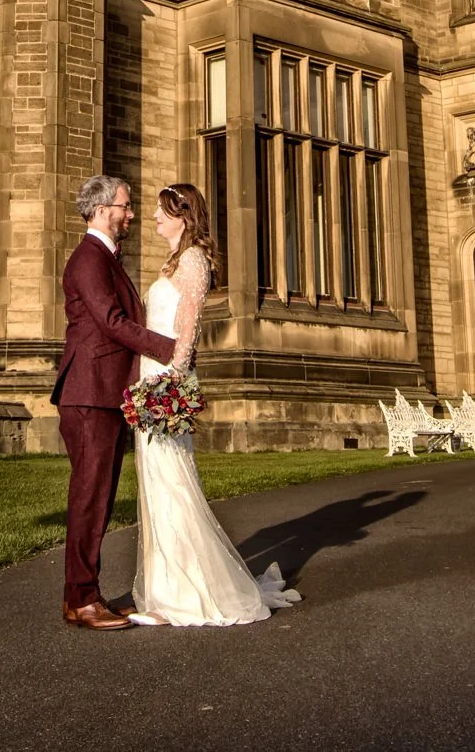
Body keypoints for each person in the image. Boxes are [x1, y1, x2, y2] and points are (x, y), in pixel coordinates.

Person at [127, 182, 301, 626]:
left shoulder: (192, 260)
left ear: (184, 215)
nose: (154, 218)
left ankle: (183, 596)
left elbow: (187, 332)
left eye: (162, 212)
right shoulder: (174, 260)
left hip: (166, 380)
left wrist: (170, 387)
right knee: (156, 483)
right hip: (152, 376)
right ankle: (168, 589)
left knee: (172, 483)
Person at [53, 173, 177, 630]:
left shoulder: (105, 257)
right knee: (90, 497)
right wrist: (167, 348)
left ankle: (89, 595)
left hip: (103, 392)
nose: (131, 213)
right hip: (88, 393)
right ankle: (80, 600)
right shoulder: (89, 258)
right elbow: (110, 320)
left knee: (99, 498)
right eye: (126, 205)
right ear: (104, 209)